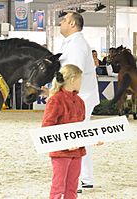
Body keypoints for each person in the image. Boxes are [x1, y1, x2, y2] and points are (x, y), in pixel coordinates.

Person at [58, 11, 100, 192]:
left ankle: (77, 180)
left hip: (79, 97)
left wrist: (62, 95)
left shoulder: (76, 45)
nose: (62, 22)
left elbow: (73, 74)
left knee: (76, 137)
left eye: (65, 20)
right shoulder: (74, 43)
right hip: (82, 96)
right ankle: (86, 178)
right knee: (82, 136)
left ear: (73, 24)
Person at [42, 64, 85, 199]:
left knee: (72, 187)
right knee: (58, 187)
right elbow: (47, 127)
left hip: (77, 151)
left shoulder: (79, 101)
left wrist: (94, 138)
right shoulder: (55, 100)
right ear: (72, 79)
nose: (81, 83)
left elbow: (82, 128)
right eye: (80, 79)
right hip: (61, 152)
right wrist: (64, 143)